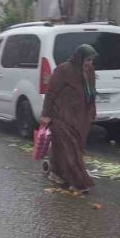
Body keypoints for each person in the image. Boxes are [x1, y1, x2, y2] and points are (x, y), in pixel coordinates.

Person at [40, 44, 98, 192]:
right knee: (70, 150)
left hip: (81, 118)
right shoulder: (64, 70)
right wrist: (46, 114)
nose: (89, 63)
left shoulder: (89, 71)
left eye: (91, 60)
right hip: (62, 116)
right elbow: (51, 93)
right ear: (79, 58)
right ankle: (79, 182)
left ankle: (56, 171)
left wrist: (93, 111)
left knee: (67, 149)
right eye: (87, 60)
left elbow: (91, 92)